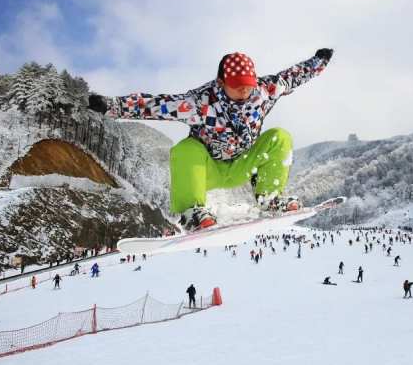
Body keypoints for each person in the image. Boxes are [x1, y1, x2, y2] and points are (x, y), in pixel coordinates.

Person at [90, 49, 334, 230]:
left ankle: (269, 198)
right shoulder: (198, 103)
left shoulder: (263, 92)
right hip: (208, 171)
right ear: (220, 83)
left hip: (243, 166)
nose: (244, 91)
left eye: (248, 86)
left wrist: (319, 62)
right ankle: (192, 211)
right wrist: (111, 106)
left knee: (280, 137)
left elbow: (292, 77)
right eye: (237, 86)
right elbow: (155, 105)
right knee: (186, 148)